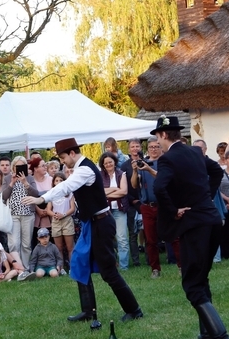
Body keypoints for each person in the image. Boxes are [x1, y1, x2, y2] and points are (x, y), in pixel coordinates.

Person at [22, 138, 143, 323]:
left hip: (101, 224)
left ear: (72, 153)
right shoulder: (81, 169)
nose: (63, 162)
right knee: (79, 262)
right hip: (92, 224)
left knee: (108, 271)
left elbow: (66, 186)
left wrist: (42, 199)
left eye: (63, 157)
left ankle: (134, 310)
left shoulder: (85, 169)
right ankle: (88, 312)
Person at [150, 116, 229, 339]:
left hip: (195, 225)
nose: (157, 142)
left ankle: (221, 337)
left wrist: (173, 210)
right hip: (212, 221)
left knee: (192, 284)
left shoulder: (167, 159)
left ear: (164, 135)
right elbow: (216, 171)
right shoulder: (195, 152)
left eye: (157, 137)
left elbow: (158, 188)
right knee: (201, 277)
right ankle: (207, 333)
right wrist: (206, 195)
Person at [131, 136, 170, 278]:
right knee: (150, 240)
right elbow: (134, 185)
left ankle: (180, 266)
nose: (154, 149)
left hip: (164, 205)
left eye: (156, 147)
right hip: (147, 206)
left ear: (161, 148)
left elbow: (163, 179)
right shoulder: (143, 164)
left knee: (173, 236)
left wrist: (149, 169)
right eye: (151, 147)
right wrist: (135, 171)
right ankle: (155, 269)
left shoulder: (166, 162)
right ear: (147, 149)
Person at [3, 156, 39, 268]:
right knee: (14, 243)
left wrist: (25, 182)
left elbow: (36, 194)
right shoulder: (7, 178)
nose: (19, 169)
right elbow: (4, 196)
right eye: (17, 166)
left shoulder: (30, 178)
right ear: (13, 167)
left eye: (22, 166)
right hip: (13, 215)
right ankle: (18, 268)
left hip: (28, 214)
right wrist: (12, 183)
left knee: (26, 244)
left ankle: (26, 267)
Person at [99, 152, 130, 270]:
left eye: (110, 162)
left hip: (119, 210)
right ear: (103, 165)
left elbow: (124, 192)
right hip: (105, 211)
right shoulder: (100, 176)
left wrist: (107, 194)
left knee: (122, 238)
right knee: (107, 239)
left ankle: (123, 266)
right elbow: (99, 192)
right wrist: (114, 189)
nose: (108, 164)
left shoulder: (121, 174)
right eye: (105, 163)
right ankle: (111, 264)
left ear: (114, 162)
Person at [120, 138, 143, 267]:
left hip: (145, 201)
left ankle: (150, 258)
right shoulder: (124, 166)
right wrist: (132, 199)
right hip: (131, 203)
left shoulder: (146, 162)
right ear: (129, 150)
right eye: (132, 147)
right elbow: (123, 186)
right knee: (133, 233)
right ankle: (136, 260)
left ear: (141, 148)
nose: (135, 149)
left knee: (147, 232)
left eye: (137, 146)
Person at [47, 172, 76, 273]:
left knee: (70, 247)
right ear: (53, 182)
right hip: (56, 221)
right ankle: (61, 268)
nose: (58, 182)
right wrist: (54, 214)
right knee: (58, 247)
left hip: (67, 220)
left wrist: (63, 214)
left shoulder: (69, 193)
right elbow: (48, 210)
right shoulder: (51, 193)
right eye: (56, 180)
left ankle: (72, 268)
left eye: (61, 180)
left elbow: (72, 208)